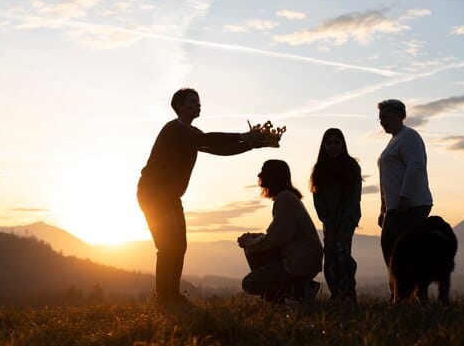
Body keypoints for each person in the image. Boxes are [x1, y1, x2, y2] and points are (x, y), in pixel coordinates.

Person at [137, 88, 272, 304]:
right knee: (168, 245)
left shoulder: (190, 134)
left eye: (198, 101)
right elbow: (210, 139)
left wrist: (249, 145)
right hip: (154, 193)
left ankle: (169, 295)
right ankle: (165, 296)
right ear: (180, 106)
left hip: (168, 196)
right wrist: (243, 136)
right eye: (193, 101)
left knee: (178, 244)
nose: (198, 105)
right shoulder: (176, 129)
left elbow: (216, 148)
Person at [238, 159, 323, 303]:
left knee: (249, 283)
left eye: (264, 171)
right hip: (301, 259)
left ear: (273, 176)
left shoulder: (285, 198)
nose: (259, 175)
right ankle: (279, 296)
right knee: (253, 242)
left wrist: (251, 243)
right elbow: (278, 234)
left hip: (299, 262)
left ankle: (300, 289)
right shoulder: (287, 197)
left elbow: (278, 238)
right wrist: (254, 239)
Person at [377, 99, 433, 267]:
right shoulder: (395, 140)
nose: (381, 122)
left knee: (397, 247)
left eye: (385, 117)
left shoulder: (409, 137)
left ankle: (403, 289)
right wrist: (383, 208)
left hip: (410, 205)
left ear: (398, 116)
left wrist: (404, 197)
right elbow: (387, 179)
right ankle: (400, 289)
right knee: (394, 247)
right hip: (396, 206)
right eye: (380, 118)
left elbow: (415, 166)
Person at [309, 128, 362, 301]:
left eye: (337, 142)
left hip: (347, 220)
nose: (333, 146)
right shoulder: (319, 169)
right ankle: (336, 294)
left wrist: (346, 221)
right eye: (329, 143)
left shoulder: (351, 166)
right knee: (330, 258)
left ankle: (347, 295)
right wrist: (327, 220)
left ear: (343, 144)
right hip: (329, 222)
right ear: (323, 146)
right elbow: (318, 198)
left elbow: (354, 197)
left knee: (343, 256)